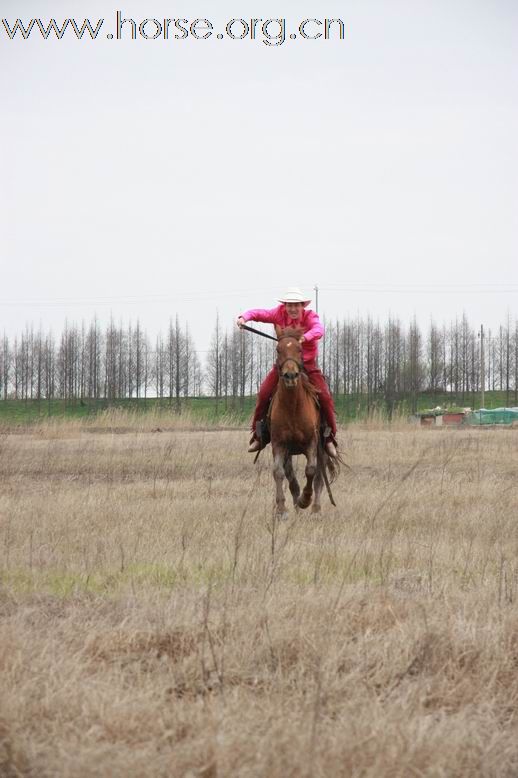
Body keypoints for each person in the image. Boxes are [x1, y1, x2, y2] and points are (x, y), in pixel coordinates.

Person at [237, 287, 338, 457]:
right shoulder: (278, 314)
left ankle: (329, 438)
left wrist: (305, 337)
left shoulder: (310, 317)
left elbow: (319, 330)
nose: (292, 309)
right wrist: (244, 317)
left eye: (296, 305)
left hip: (307, 364)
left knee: (326, 398)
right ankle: (258, 435)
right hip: (284, 365)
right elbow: (259, 314)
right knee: (263, 394)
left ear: (302, 306)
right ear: (284, 306)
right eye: (289, 305)